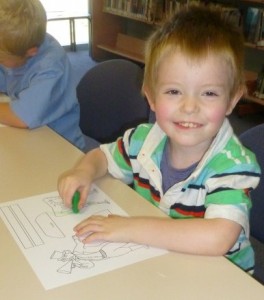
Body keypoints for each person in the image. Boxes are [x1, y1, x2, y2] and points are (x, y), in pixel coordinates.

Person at [57, 5, 261, 273]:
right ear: (151, 97)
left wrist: (129, 228)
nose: (190, 107)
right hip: (162, 259)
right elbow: (102, 157)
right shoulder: (142, 141)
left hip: (219, 276)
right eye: (174, 91)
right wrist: (83, 172)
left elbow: (218, 238)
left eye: (209, 93)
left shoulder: (233, 165)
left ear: (232, 100)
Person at [0, 0, 85, 151]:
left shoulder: (50, 67)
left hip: (60, 146)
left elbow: (22, 117)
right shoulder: (15, 46)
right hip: (30, 137)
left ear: (31, 52)